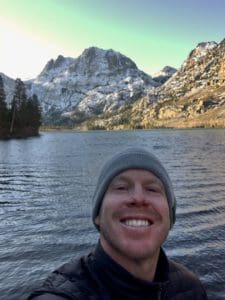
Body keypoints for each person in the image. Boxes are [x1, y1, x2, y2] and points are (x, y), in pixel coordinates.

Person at [28, 147, 208, 300]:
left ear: (170, 217)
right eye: (121, 188)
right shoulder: (62, 295)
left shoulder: (190, 287)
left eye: (152, 189)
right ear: (98, 214)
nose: (138, 198)